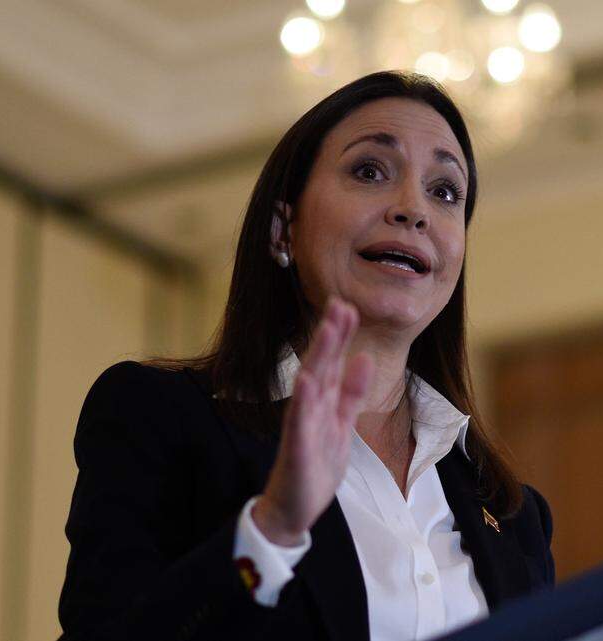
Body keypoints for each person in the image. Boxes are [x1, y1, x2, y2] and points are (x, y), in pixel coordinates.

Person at [58, 71, 554, 641]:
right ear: (281, 229)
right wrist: (271, 530)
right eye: (370, 171)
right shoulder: (161, 417)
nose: (413, 209)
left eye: (445, 191)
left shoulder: (515, 516)